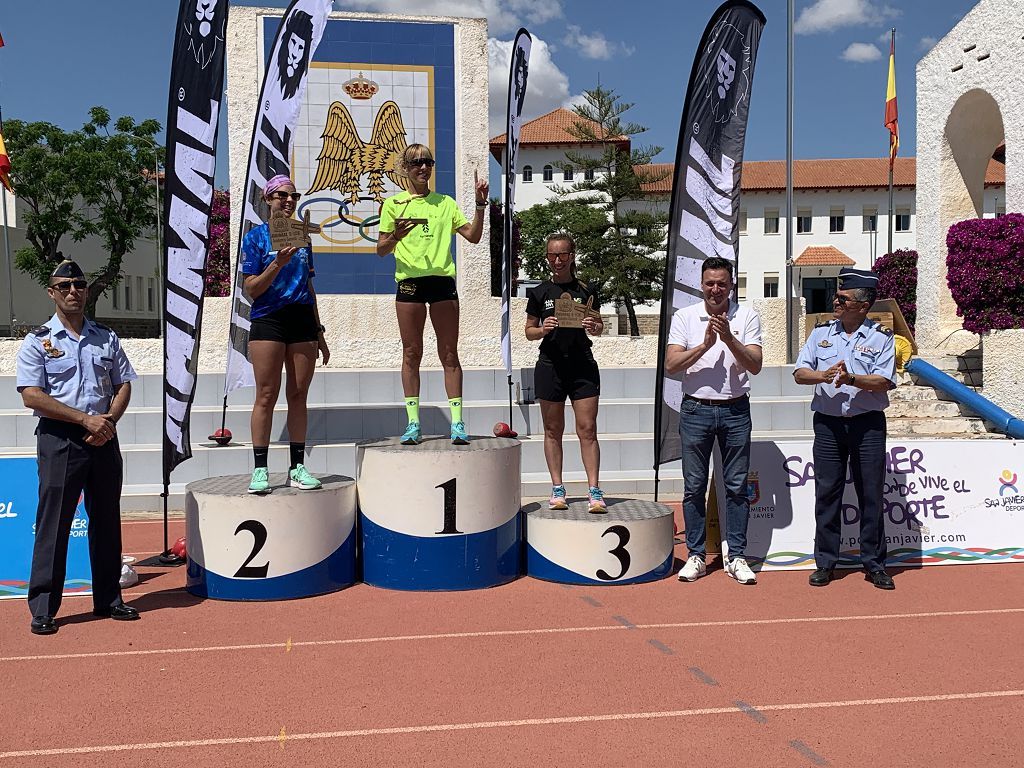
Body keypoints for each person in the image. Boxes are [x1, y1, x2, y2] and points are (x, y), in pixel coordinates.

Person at [16, 259, 139, 635]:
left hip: (104, 438)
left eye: (80, 285)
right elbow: (32, 396)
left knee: (106, 520)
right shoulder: (38, 341)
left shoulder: (106, 337)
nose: (73, 291)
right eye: (65, 285)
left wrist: (108, 422)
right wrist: (85, 420)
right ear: (52, 292)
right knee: (54, 524)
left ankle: (108, 599)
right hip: (60, 439)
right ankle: (44, 607)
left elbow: (124, 383)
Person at [377, 144, 488, 445]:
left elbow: (473, 237)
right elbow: (381, 250)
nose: (423, 168)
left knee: (449, 353)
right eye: (416, 163)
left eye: (428, 162)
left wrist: (480, 206)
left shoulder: (445, 203)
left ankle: (457, 423)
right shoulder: (393, 205)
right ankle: (413, 423)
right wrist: (396, 236)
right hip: (410, 284)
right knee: (412, 353)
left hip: (441, 283)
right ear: (405, 167)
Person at [794, 267, 897, 590]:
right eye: (837, 296)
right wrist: (824, 376)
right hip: (828, 424)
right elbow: (800, 373)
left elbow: (884, 381)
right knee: (827, 493)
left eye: (843, 297)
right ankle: (826, 562)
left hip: (867, 425)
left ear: (863, 305)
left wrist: (851, 379)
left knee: (870, 494)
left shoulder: (882, 338)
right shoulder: (820, 333)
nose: (835, 301)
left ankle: (874, 563)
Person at [665, 257, 763, 585]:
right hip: (696, 410)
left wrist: (729, 339)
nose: (716, 289)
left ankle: (736, 556)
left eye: (722, 283)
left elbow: (756, 364)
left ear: (732, 285)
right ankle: (696, 555)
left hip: (735, 410)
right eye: (710, 283)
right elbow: (671, 364)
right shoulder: (685, 317)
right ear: (701, 285)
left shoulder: (746, 315)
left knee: (736, 487)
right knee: (694, 486)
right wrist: (705, 345)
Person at [242, 174, 330, 494]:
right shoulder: (255, 239)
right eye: (281, 195)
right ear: (268, 200)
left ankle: (297, 467)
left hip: (302, 319)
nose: (288, 200)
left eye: (293, 195)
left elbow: (309, 285)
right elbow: (251, 289)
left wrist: (319, 331)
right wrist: (276, 264)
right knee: (266, 395)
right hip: (269, 319)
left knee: (298, 395)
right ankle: (261, 469)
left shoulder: (304, 236)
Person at [525, 233, 606, 512]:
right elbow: (528, 331)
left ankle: (594, 491)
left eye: (562, 255)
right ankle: (557, 488)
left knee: (588, 429)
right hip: (550, 365)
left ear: (572, 256)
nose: (556, 261)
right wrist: (542, 329)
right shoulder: (539, 292)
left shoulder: (587, 288)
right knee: (552, 429)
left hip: (582, 364)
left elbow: (598, 325)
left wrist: (594, 326)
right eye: (551, 255)